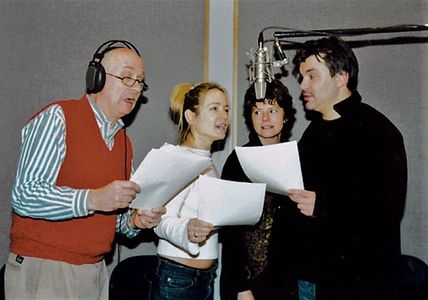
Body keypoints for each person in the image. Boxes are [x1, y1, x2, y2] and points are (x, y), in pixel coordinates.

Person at [5, 40, 166, 300]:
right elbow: (25, 196)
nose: (135, 88)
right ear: (97, 78)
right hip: (46, 268)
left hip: (95, 272)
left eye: (140, 82)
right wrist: (93, 198)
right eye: (127, 77)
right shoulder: (58, 117)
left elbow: (113, 220)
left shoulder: (124, 142)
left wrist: (135, 220)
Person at [287, 36, 407, 299]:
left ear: (341, 77)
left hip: (361, 284)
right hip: (311, 280)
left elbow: (386, 213)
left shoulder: (380, 132)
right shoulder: (313, 133)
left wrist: (323, 206)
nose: (302, 85)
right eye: (301, 76)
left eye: (311, 76)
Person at [220, 79, 300, 300]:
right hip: (244, 283)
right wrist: (241, 287)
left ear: (285, 116)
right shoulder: (238, 161)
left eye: (272, 110)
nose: (265, 119)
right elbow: (230, 232)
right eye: (257, 111)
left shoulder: (297, 159)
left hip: (284, 280)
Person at [150, 82, 229, 300]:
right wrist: (187, 230)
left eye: (226, 109)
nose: (223, 116)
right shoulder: (177, 159)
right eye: (214, 108)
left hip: (204, 277)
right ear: (191, 117)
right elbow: (159, 221)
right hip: (178, 278)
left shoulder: (207, 161)